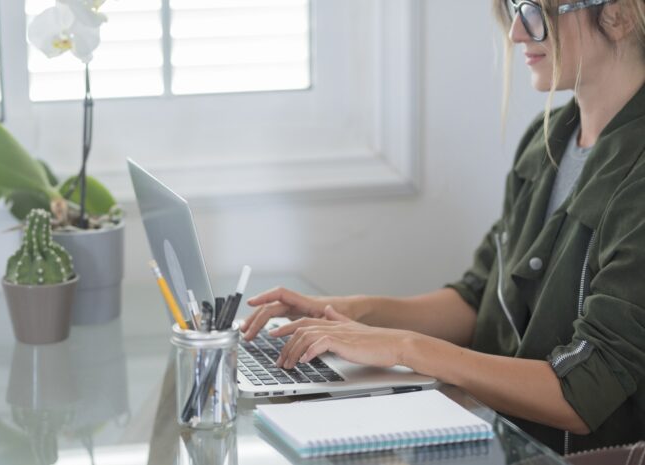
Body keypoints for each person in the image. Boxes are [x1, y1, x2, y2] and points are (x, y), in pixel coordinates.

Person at [240, 0, 645, 455]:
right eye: (514, 9)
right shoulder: (548, 137)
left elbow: (583, 392)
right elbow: (478, 298)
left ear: (620, 13)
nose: (514, 33)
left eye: (534, 10)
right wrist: (346, 314)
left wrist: (404, 348)